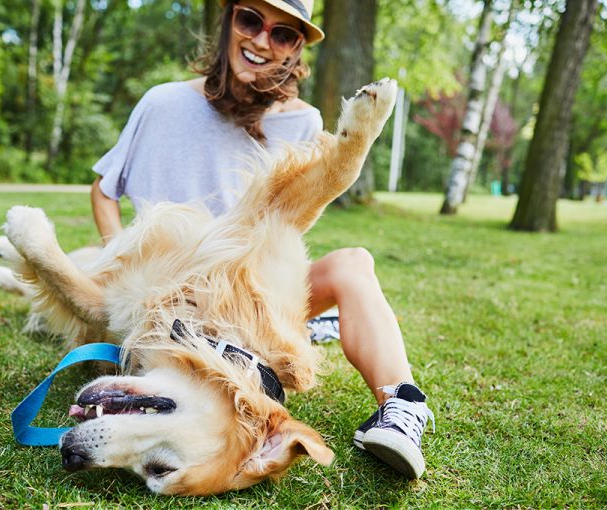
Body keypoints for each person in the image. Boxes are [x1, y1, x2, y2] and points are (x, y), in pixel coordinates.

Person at [90, 0, 434, 479]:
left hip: (249, 288)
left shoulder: (304, 122)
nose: (260, 41)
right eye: (251, 20)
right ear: (229, 19)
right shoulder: (162, 102)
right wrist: (118, 261)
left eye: (283, 34)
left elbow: (286, 228)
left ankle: (401, 408)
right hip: (169, 292)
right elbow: (104, 191)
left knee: (353, 262)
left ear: (297, 50)